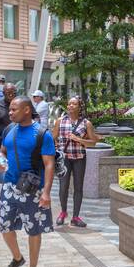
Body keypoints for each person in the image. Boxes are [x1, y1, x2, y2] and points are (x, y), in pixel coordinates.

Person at [0, 96, 56, 267]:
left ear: (27, 110)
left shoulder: (41, 134)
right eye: (10, 109)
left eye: (14, 109)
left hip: (33, 189)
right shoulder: (9, 129)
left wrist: (46, 193)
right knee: (5, 225)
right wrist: (1, 161)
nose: (10, 112)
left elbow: (49, 164)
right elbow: (3, 151)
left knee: (33, 229)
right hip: (9, 186)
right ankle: (17, 258)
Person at [53, 96, 98, 228]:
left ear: (79, 107)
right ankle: (63, 212)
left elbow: (93, 142)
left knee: (78, 187)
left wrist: (79, 140)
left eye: (73, 104)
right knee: (63, 187)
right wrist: (55, 148)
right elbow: (52, 137)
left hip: (79, 158)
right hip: (65, 158)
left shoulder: (86, 123)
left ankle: (76, 216)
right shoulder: (60, 121)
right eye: (69, 104)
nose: (70, 106)